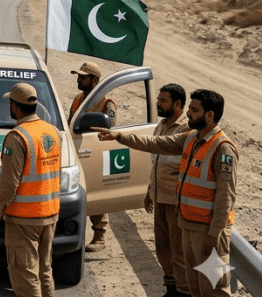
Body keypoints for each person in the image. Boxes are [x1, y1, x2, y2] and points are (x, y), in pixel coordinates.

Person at [95, 89, 237, 297]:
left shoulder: (223, 149)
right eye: (189, 108)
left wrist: (213, 235)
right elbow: (156, 144)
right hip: (188, 226)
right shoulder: (190, 138)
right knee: (195, 288)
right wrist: (119, 136)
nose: (188, 113)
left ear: (209, 115)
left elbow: (226, 198)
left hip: (208, 233)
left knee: (214, 291)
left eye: (194, 110)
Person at [0, 83, 61, 297]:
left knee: (24, 274)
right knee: (44, 270)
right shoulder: (53, 132)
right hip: (50, 213)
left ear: (15, 107)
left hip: (24, 217)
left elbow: (8, 186)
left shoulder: (17, 136)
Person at [145, 84, 192, 297]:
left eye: (163, 100)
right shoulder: (161, 126)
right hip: (159, 197)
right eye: (158, 99)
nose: (158, 103)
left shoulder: (187, 130)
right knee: (163, 249)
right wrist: (149, 191)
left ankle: (184, 291)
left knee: (179, 251)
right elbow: (157, 162)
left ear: (177, 104)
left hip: (177, 201)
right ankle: (171, 289)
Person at [68, 61, 115, 252]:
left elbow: (108, 128)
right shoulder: (78, 99)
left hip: (97, 152)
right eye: (78, 76)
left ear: (94, 80)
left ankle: (99, 237)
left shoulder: (106, 103)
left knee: (96, 193)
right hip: (79, 150)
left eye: (83, 77)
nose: (78, 80)